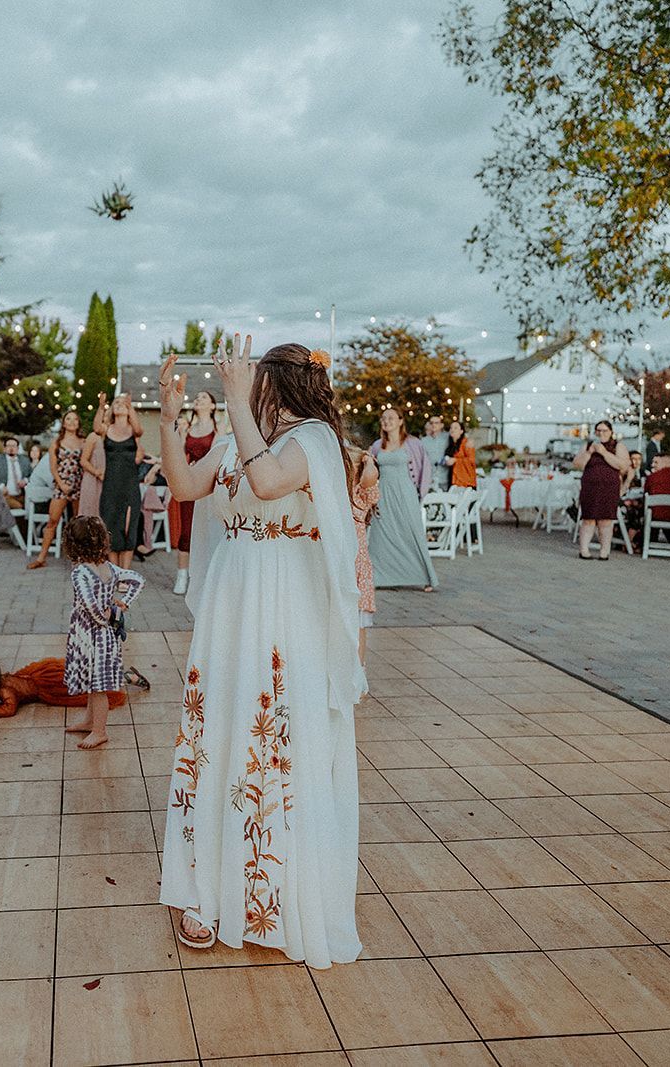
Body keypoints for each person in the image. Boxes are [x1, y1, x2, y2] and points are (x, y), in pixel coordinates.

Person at [157, 336, 364, 969]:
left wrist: (238, 405)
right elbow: (185, 485)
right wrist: (169, 419)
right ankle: (204, 889)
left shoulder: (315, 445)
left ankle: (274, 893)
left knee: (274, 732)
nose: (246, 391)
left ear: (275, 386)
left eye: (255, 383)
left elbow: (269, 483)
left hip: (285, 603)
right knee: (221, 730)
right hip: (233, 596)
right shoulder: (241, 437)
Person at [61, 516, 144, 751]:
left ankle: (100, 731)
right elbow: (138, 580)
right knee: (92, 679)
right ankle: (90, 721)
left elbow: (91, 606)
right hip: (105, 637)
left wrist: (108, 615)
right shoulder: (108, 567)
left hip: (90, 635)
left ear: (73, 545)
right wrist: (122, 604)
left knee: (98, 686)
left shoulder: (80, 573)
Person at [368, 406, 437, 592]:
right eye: (383, 418)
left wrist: (420, 492)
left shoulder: (413, 443)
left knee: (412, 533)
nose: (386, 421)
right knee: (380, 535)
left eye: (391, 418)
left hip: (405, 493)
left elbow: (426, 467)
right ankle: (378, 576)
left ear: (400, 421)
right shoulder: (376, 446)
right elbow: (369, 470)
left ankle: (425, 576)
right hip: (383, 494)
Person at [0, 652, 129, 719]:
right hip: (34, 677)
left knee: (84, 683)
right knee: (83, 678)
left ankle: (125, 676)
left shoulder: (6, 689)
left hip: (46, 685)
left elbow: (10, 708)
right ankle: (121, 674)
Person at [168, 390, 219, 595]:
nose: (198, 399)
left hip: (210, 486)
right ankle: (182, 575)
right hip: (191, 482)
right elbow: (180, 456)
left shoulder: (219, 429)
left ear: (213, 406)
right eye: (196, 397)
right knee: (187, 529)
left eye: (204, 397)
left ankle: (208, 575)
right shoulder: (187, 429)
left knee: (211, 528)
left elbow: (218, 454)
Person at [95, 393, 147, 568]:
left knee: (128, 527)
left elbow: (140, 429)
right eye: (116, 402)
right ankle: (115, 571)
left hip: (130, 485)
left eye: (122, 403)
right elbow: (96, 428)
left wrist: (131, 407)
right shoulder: (106, 429)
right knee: (110, 525)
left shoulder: (134, 431)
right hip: (110, 485)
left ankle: (125, 572)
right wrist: (101, 407)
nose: (119, 404)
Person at [29, 409, 85, 569]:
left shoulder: (84, 441)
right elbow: (53, 467)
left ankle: (79, 557)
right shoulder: (57, 442)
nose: (72, 422)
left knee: (78, 522)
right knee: (53, 520)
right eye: (69, 419)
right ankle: (41, 557)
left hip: (79, 483)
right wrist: (62, 484)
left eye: (75, 419)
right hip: (61, 484)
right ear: (64, 422)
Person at [572, 419, 630, 559]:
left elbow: (623, 466)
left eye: (604, 430)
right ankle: (584, 550)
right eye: (598, 430)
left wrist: (604, 453)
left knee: (606, 520)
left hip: (609, 487)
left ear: (611, 432)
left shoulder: (618, 446)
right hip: (590, 486)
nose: (601, 433)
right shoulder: (588, 446)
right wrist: (589, 453)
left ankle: (605, 551)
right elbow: (577, 465)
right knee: (588, 518)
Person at [350, 446, 380, 665]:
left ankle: (358, 671)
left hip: (356, 561)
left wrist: (368, 460)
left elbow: (370, 476)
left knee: (358, 623)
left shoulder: (362, 491)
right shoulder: (338, 489)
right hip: (344, 559)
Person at [0, 436, 32, 508]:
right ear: (4, 449)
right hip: (5, 495)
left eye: (13, 446)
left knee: (33, 506)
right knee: (19, 506)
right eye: (8, 446)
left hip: (22, 495)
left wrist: (25, 480)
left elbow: (33, 476)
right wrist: (0, 486)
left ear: (17, 448)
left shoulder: (25, 460)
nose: (11, 448)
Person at [443, 419, 478, 489]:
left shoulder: (466, 443)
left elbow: (471, 460)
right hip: (452, 478)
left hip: (465, 481)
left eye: (455, 428)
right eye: (451, 428)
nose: (452, 429)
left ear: (461, 431)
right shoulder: (450, 444)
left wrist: (456, 460)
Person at [421, 414, 450, 491]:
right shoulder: (424, 441)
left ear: (441, 425)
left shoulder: (448, 438)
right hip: (429, 479)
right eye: (431, 423)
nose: (433, 425)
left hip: (444, 477)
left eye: (436, 423)